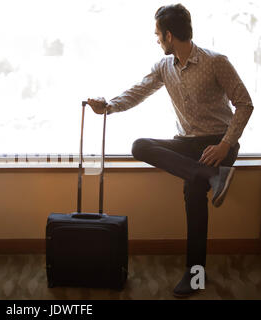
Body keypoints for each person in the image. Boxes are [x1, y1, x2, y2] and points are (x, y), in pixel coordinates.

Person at [87, 3, 254, 298]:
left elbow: (245, 103)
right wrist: (109, 106)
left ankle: (196, 274)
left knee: (193, 192)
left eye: (157, 35)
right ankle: (210, 176)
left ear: (169, 35)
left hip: (219, 142)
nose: (156, 40)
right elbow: (138, 91)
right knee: (139, 145)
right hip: (188, 145)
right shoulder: (164, 67)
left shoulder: (216, 62)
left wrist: (225, 144)